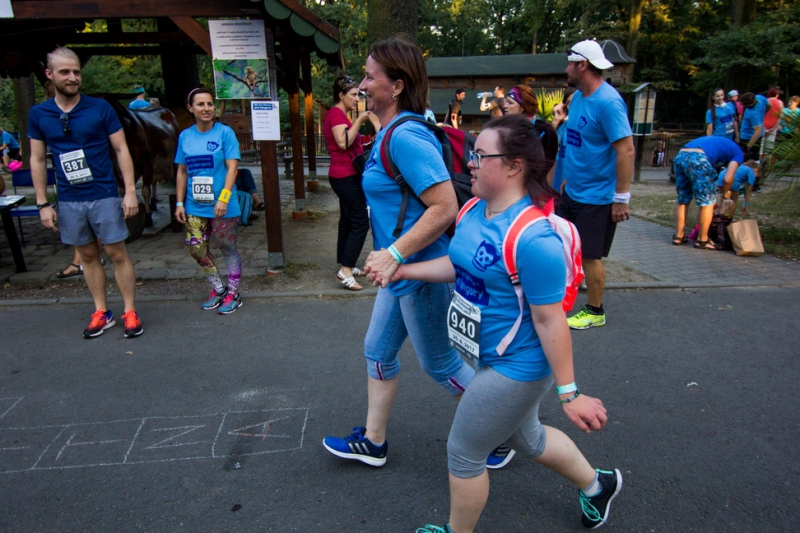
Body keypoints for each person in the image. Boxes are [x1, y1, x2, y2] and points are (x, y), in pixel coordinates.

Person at [405, 115, 620, 533]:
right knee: (528, 439)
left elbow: (550, 318)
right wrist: (403, 270)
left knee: (464, 451)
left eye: (480, 156)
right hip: (487, 355)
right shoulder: (473, 209)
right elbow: (460, 264)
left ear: (514, 166)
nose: (469, 163)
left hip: (519, 365)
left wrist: (570, 393)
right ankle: (598, 486)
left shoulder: (535, 239)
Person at [322, 35, 475, 467]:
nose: (362, 85)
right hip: (400, 272)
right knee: (378, 351)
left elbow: (445, 206)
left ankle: (502, 428)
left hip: (420, 272)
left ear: (397, 86)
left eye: (370, 77)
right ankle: (373, 442)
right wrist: (392, 259)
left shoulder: (406, 136)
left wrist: (395, 253)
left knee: (441, 365)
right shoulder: (388, 132)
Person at [28, 47, 143, 338]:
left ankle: (129, 311)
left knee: (117, 252)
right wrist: (42, 203)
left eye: (76, 72)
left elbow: (121, 149)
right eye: (65, 72)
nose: (72, 77)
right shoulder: (39, 114)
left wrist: (130, 191)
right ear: (49, 74)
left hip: (103, 192)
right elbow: (37, 159)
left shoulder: (99, 108)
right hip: (69, 198)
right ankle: (102, 312)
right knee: (88, 255)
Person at [558, 39, 634, 330]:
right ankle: (559, 300)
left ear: (582, 65)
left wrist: (621, 198)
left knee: (589, 255)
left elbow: (626, 150)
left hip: (597, 197)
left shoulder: (609, 102)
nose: (566, 70)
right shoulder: (578, 98)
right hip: (572, 191)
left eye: (569, 64)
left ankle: (595, 310)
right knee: (562, 246)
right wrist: (568, 176)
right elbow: (578, 142)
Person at [174, 87, 244, 314]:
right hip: (194, 205)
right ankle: (219, 288)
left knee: (227, 247)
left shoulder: (225, 133)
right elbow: (182, 171)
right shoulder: (185, 136)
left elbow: (232, 168)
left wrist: (223, 199)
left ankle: (233, 293)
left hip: (223, 205)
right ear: (190, 108)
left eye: (210, 104)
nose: (206, 108)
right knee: (197, 249)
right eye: (201, 104)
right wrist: (179, 203)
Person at [322, 75, 381, 291]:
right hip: (344, 176)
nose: (357, 99)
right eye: (353, 95)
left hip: (345, 175)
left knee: (347, 220)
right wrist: (360, 121)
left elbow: (352, 141)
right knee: (360, 222)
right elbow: (343, 142)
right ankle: (345, 270)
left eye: (358, 95)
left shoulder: (340, 115)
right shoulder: (336, 115)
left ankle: (346, 262)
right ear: (341, 95)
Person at [671, 136, 742, 249]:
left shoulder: (722, 142)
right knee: (707, 202)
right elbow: (728, 179)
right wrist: (725, 193)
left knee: (683, 199)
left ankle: (679, 236)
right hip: (699, 158)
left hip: (681, 155)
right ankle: (702, 240)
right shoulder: (738, 154)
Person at [502, 85, 558, 179]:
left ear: (523, 107)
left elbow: (550, 166)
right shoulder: (505, 129)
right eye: (506, 102)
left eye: (510, 103)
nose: (505, 106)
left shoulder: (544, 132)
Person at [551, 87, 577, 193]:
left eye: (576, 102)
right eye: (569, 103)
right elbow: (548, 145)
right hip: (561, 184)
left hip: (580, 187)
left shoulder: (589, 127)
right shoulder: (564, 128)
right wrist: (556, 120)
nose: (573, 106)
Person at [738, 92, 770, 161]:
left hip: (749, 137)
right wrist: (763, 114)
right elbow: (770, 105)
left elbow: (757, 131)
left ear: (749, 104)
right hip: (758, 136)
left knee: (748, 159)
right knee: (755, 157)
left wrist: (749, 145)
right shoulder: (760, 97)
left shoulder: (753, 113)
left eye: (743, 105)